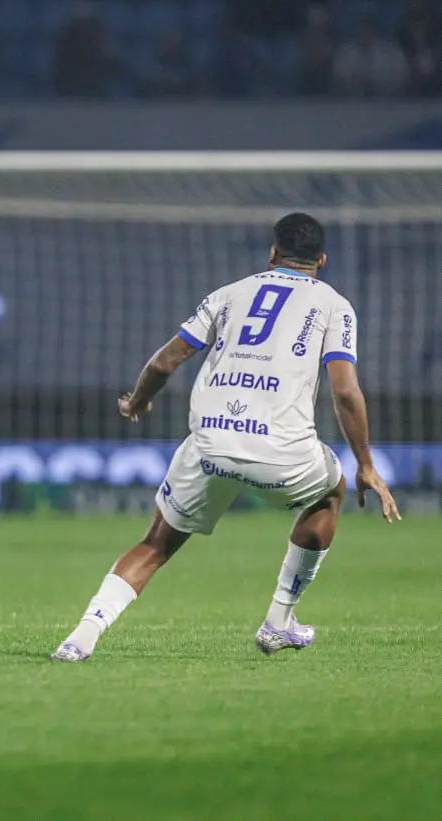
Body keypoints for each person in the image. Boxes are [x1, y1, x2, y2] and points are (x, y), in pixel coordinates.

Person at [52, 213, 400, 663]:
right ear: (323, 260)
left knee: (156, 543)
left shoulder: (230, 293)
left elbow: (164, 362)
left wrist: (137, 401)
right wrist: (366, 465)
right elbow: (345, 391)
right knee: (330, 491)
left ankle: (81, 637)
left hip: (211, 442)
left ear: (272, 254)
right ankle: (279, 620)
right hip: (281, 451)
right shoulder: (334, 305)